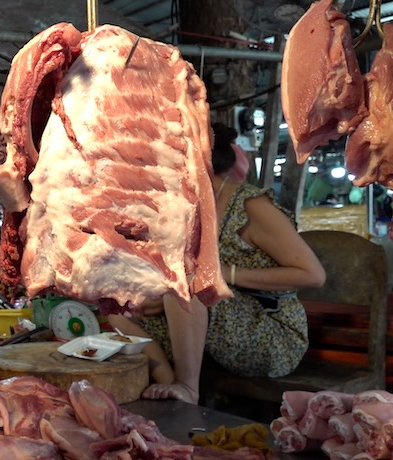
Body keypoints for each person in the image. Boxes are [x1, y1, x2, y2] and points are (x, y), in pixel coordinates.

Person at [109, 123, 326, 404]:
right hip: (218, 324)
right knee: (117, 308)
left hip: (269, 331)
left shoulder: (249, 206)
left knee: (188, 281)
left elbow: (312, 275)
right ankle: (170, 385)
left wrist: (225, 274)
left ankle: (187, 387)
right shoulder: (185, 207)